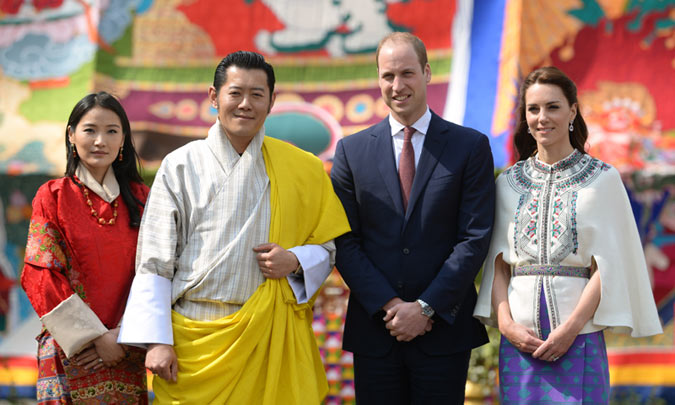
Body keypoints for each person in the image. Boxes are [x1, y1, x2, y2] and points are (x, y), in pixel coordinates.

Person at [118, 51, 350, 404]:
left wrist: (296, 261)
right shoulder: (180, 165)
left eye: (257, 95)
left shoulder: (301, 169)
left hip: (267, 335)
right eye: (235, 93)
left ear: (272, 101)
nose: (246, 104)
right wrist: (158, 340)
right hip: (193, 338)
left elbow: (328, 247)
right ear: (214, 97)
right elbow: (154, 258)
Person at [473, 66, 662, 403]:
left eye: (553, 107)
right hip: (520, 344)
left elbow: (611, 264)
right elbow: (498, 264)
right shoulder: (507, 183)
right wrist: (506, 324)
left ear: (573, 110)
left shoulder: (603, 179)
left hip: (579, 339)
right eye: (533, 109)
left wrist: (571, 329)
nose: (542, 118)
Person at [330, 32, 496, 404]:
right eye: (388, 76)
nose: (397, 85)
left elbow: (475, 237)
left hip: (443, 332)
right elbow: (344, 240)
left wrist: (424, 308)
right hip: (376, 330)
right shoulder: (351, 151)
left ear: (426, 72)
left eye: (407, 73)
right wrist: (391, 306)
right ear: (378, 79)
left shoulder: (469, 147)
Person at [21, 91, 149, 404]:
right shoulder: (52, 196)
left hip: (126, 349)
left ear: (123, 140)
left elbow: (158, 273)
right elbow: (40, 273)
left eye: (111, 131)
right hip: (71, 349)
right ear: (71, 135)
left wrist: (121, 337)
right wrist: (91, 338)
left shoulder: (144, 199)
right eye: (90, 130)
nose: (100, 141)